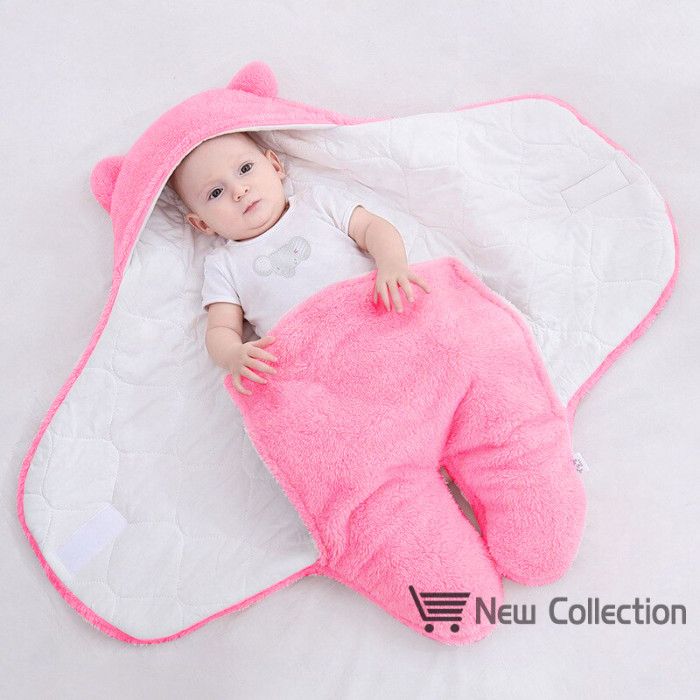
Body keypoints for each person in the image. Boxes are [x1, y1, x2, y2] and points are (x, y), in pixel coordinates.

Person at [168, 131, 431, 395]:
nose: (239, 191)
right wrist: (232, 354)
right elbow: (221, 327)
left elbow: (372, 228)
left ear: (275, 166)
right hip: (313, 364)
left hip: (375, 316)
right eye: (215, 193)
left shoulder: (316, 202)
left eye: (245, 169)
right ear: (202, 224)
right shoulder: (224, 265)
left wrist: (392, 263)